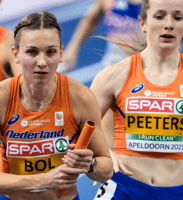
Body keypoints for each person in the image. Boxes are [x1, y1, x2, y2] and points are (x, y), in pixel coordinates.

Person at [90, 0, 183, 199]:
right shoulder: (113, 76)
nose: (169, 24)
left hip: (179, 193)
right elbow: (78, 127)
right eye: (159, 17)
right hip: (122, 190)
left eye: (177, 18)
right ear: (142, 22)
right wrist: (101, 152)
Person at [0, 11, 113, 200]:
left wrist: (90, 164)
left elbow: (106, 170)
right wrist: (43, 180)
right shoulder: (2, 99)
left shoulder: (80, 98)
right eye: (32, 52)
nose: (42, 62)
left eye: (50, 52)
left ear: (61, 54)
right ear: (15, 53)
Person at [61, 0, 183, 72]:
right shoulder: (109, 0)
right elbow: (91, 19)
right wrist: (72, 49)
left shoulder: (163, 4)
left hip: (151, 72)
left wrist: (182, 33)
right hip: (114, 68)